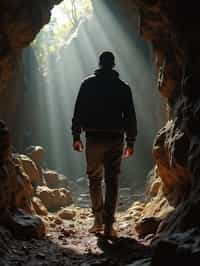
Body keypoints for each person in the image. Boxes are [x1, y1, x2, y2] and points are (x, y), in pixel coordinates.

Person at [71, 51, 137, 237]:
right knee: (112, 180)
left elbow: (78, 112)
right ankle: (109, 225)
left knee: (94, 179)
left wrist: (76, 136)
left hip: (93, 138)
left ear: (99, 64)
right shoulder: (123, 87)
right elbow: (130, 117)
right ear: (114, 64)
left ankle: (98, 221)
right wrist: (130, 141)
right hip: (115, 139)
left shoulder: (87, 84)